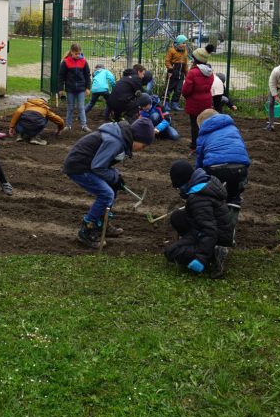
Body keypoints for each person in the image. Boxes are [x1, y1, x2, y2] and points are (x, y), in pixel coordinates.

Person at [63, 117, 156, 247]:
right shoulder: (115, 142)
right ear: (137, 138)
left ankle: (102, 224)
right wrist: (114, 178)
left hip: (88, 164)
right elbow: (98, 167)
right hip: (78, 166)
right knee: (106, 194)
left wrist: (116, 176)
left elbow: (103, 163)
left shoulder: (121, 137)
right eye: (144, 145)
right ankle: (86, 230)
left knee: (112, 187)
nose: (143, 149)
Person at [165, 160, 234, 279]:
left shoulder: (198, 198)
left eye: (178, 187)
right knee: (177, 216)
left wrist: (201, 258)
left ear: (184, 181)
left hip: (217, 237)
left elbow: (209, 230)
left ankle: (214, 254)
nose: (179, 190)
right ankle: (203, 247)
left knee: (172, 252)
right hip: (214, 230)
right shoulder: (204, 183)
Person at [195, 109, 251, 227]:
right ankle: (230, 224)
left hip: (215, 168)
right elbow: (241, 148)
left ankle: (213, 219)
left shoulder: (203, 134)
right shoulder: (232, 128)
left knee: (212, 194)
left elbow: (200, 159)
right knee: (234, 194)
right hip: (240, 167)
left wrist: (197, 177)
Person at [181, 47, 215, 155]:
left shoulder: (192, 72)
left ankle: (195, 146)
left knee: (195, 125)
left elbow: (186, 90)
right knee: (205, 124)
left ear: (196, 59)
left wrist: (186, 96)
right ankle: (206, 145)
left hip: (195, 103)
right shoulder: (210, 72)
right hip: (206, 102)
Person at [57, 42, 92, 132]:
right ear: (71, 52)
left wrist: (88, 88)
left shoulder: (83, 61)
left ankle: (84, 125)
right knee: (70, 107)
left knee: (81, 107)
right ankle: (68, 125)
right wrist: (60, 89)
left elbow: (87, 75)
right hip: (70, 89)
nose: (78, 55)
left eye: (79, 53)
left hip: (81, 89)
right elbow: (61, 76)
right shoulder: (66, 62)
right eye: (76, 53)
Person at [163, 35, 189, 111]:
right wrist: (170, 69)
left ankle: (174, 103)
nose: (184, 45)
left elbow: (185, 64)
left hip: (181, 74)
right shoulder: (172, 50)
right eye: (183, 43)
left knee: (178, 90)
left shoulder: (185, 51)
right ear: (178, 43)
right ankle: (166, 103)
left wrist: (187, 73)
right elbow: (167, 61)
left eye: (185, 43)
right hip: (173, 73)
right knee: (169, 88)